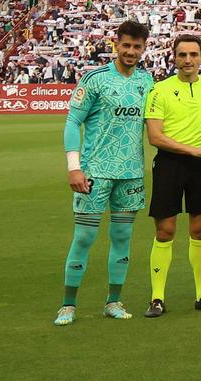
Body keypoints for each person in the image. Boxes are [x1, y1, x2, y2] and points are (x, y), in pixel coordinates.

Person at [55, 19, 153, 327]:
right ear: (116, 44)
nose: (131, 51)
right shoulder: (95, 79)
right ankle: (68, 305)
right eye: (126, 45)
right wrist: (74, 167)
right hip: (94, 172)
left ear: (144, 48)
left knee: (122, 236)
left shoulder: (147, 81)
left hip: (131, 173)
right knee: (84, 237)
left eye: (137, 47)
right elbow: (73, 123)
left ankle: (114, 300)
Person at [142, 35, 201, 318]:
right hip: (170, 163)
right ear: (174, 57)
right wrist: (191, 150)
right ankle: (157, 298)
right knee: (164, 230)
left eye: (193, 54)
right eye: (182, 55)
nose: (188, 60)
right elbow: (155, 136)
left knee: (200, 230)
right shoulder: (159, 90)